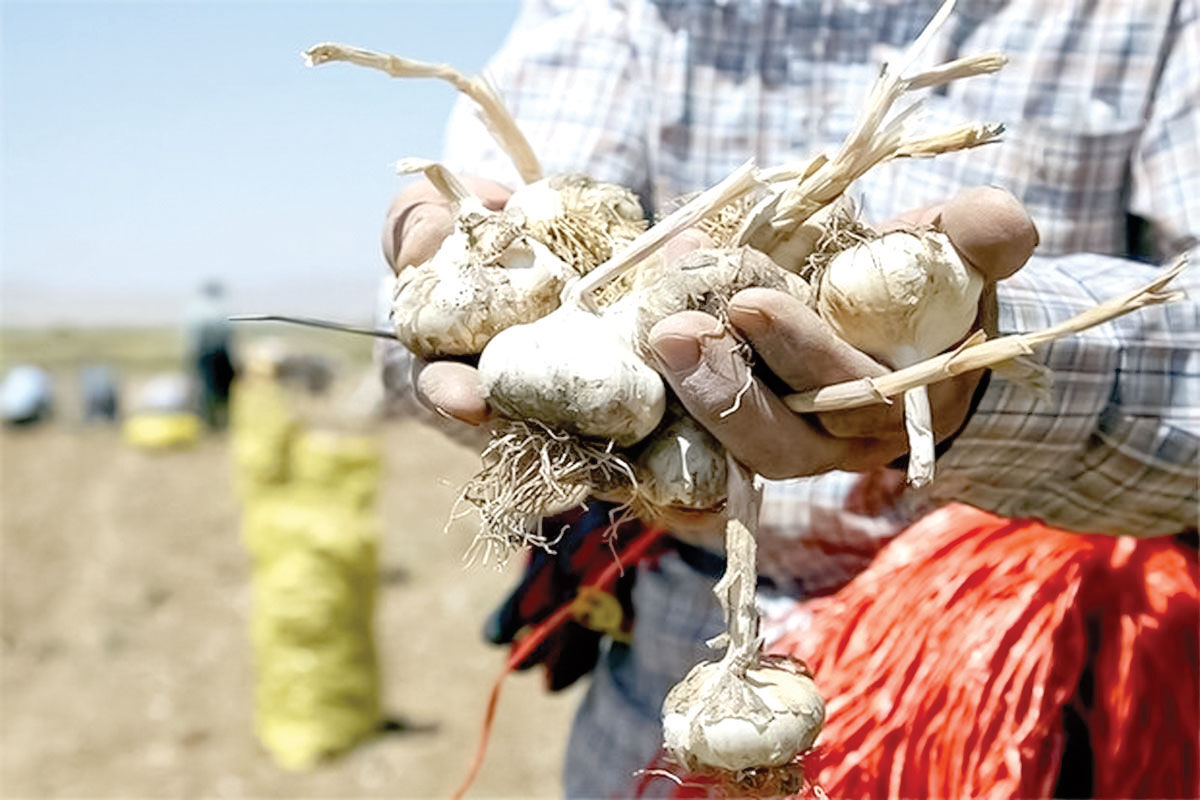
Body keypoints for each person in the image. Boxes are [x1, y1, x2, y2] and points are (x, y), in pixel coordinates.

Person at [378, 1, 1199, 797]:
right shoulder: (631, 9)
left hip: (1029, 671)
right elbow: (503, 258)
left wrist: (983, 367)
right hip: (674, 665)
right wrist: (451, 270)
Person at [185, 280, 237, 430]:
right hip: (214, 354)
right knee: (214, 388)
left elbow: (192, 337)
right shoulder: (217, 309)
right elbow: (229, 332)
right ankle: (214, 421)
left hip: (208, 354)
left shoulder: (198, 310)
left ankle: (214, 421)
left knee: (212, 388)